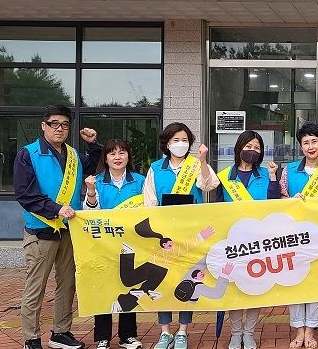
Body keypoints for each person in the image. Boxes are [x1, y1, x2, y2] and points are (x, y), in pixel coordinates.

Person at [13, 104, 102, 349]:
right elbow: (25, 194)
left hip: (69, 230)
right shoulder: (28, 153)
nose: (59, 129)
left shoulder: (73, 155)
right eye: (54, 124)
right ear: (44, 126)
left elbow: (91, 168)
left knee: (68, 283)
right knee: (36, 286)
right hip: (41, 231)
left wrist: (94, 145)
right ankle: (31, 338)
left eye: (64, 124)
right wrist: (56, 209)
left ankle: (60, 333)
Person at [143, 122, 219, 349]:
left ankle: (183, 331)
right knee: (163, 280)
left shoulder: (195, 165)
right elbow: (149, 201)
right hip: (164, 235)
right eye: (175, 140)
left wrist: (203, 161)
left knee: (188, 279)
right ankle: (165, 331)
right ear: (167, 143)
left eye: (184, 140)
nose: (180, 144)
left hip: (190, 233)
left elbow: (209, 185)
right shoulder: (156, 168)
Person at [280, 123, 318, 349]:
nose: (310, 146)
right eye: (306, 143)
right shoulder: (289, 171)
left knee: (316, 281)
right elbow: (281, 199)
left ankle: (310, 329)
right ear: (300, 147)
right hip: (295, 235)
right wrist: (291, 200)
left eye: (314, 141)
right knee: (296, 280)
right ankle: (298, 328)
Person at [216, 130, 280, 349]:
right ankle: (236, 333)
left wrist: (273, 177)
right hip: (232, 240)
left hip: (258, 240)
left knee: (254, 287)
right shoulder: (225, 175)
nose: (253, 151)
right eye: (249, 146)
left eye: (257, 148)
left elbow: (274, 201)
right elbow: (218, 208)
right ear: (239, 147)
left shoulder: (265, 173)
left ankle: (249, 333)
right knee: (234, 287)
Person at [83, 139, 145, 349]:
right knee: (103, 289)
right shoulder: (97, 181)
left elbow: (150, 208)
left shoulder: (140, 181)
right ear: (106, 158)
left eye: (122, 152)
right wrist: (91, 192)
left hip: (131, 243)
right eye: (112, 153)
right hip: (104, 245)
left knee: (129, 287)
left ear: (128, 156)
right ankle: (102, 337)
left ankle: (128, 336)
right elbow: (90, 214)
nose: (117, 157)